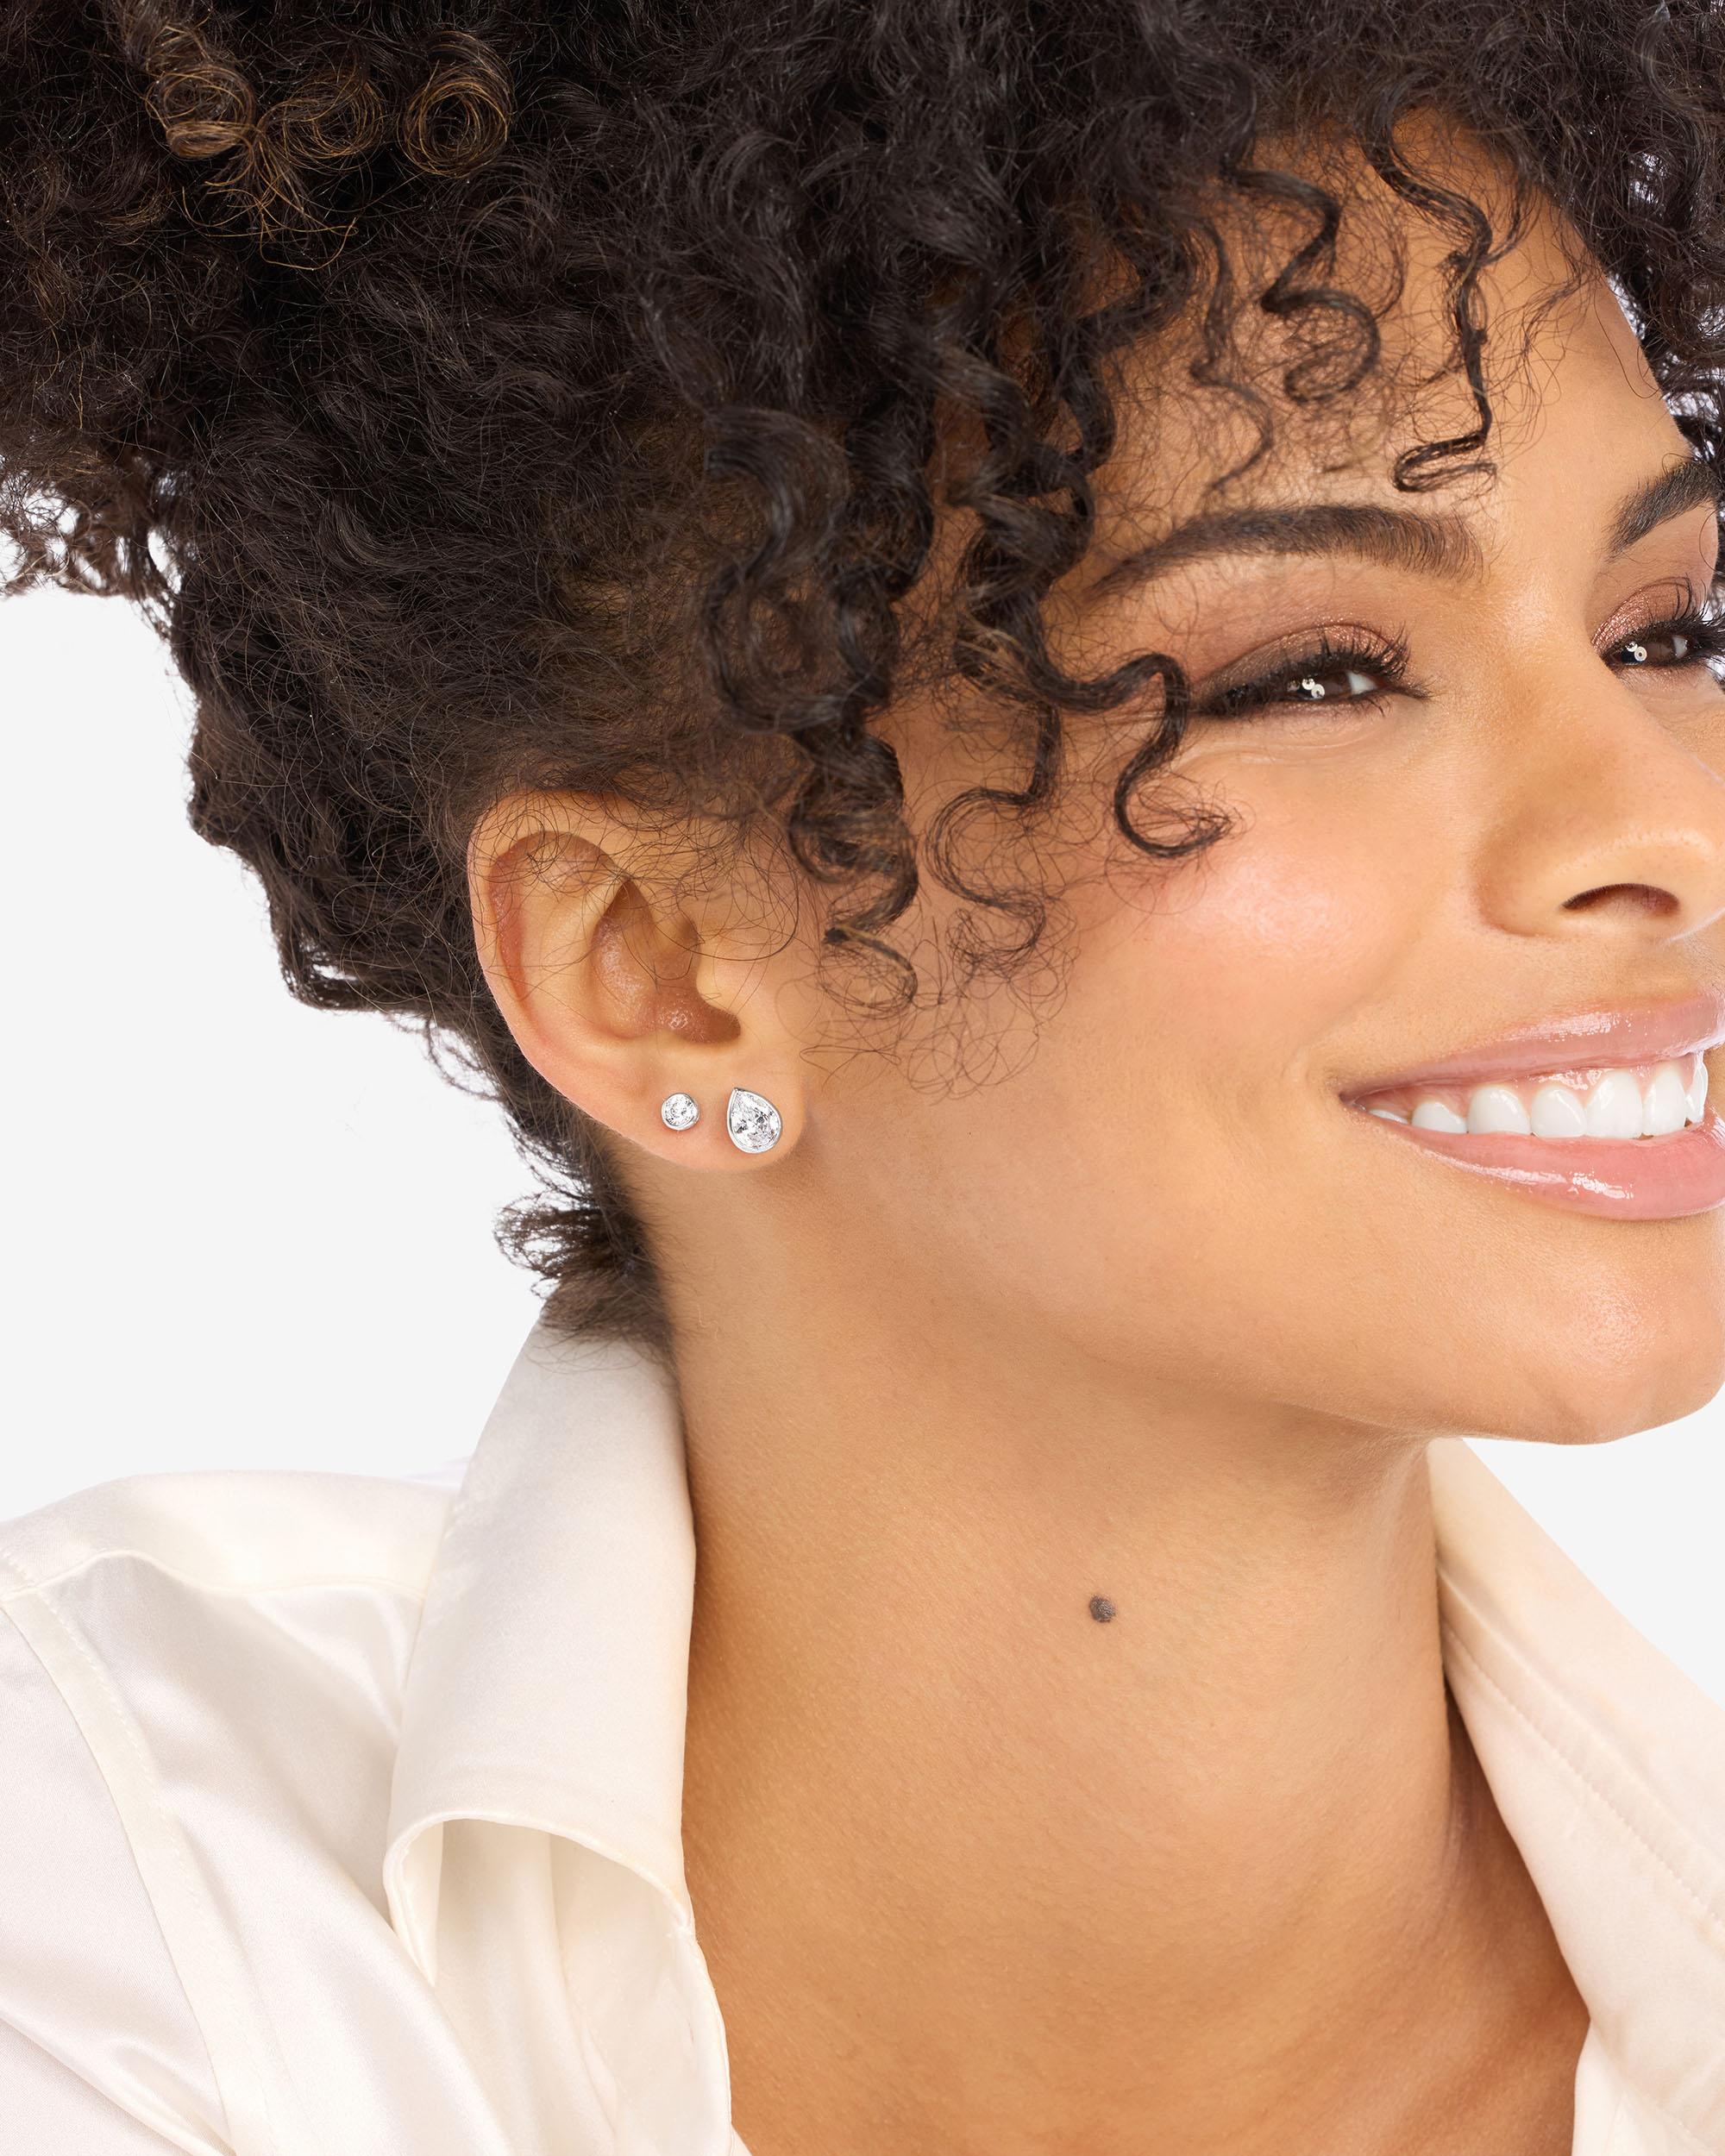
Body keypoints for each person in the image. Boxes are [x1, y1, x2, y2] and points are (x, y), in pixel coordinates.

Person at [4, 3, 1725, 2151]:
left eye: (1665, 629)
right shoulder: (112, 1918)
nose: (1668, 823)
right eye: (1312, 673)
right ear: (654, 969)